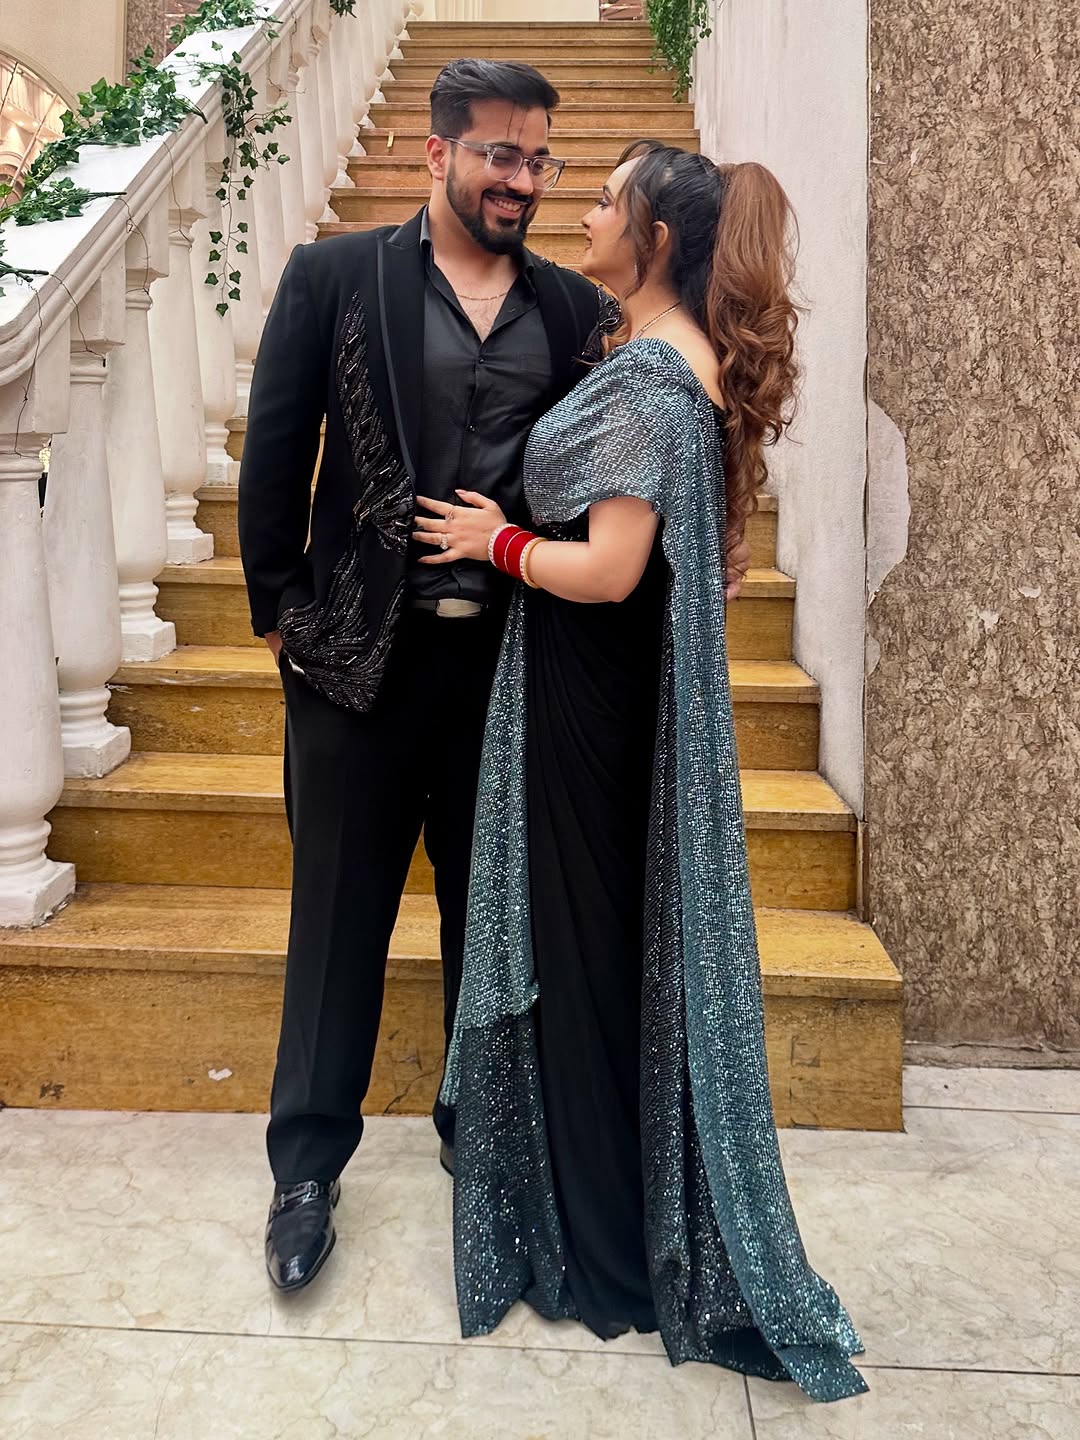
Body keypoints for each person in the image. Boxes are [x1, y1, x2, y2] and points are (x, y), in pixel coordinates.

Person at [238, 63, 756, 1295]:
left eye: (540, 161)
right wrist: (282, 616)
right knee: (335, 926)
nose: (523, 181)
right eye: (500, 156)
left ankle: (480, 1128)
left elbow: (657, 428)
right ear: (438, 154)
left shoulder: (580, 309)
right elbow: (275, 448)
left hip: (512, 675)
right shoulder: (333, 276)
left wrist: (723, 522)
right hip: (355, 673)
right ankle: (306, 1169)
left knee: (496, 920)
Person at [417, 141, 867, 1402]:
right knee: (594, 950)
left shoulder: (661, 377)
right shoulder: (668, 356)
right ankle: (597, 1211)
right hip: (608, 694)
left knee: (579, 953)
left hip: (590, 698)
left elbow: (613, 569)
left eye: (607, 201)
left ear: (657, 239)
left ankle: (602, 1246)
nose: (586, 216)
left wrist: (497, 542)